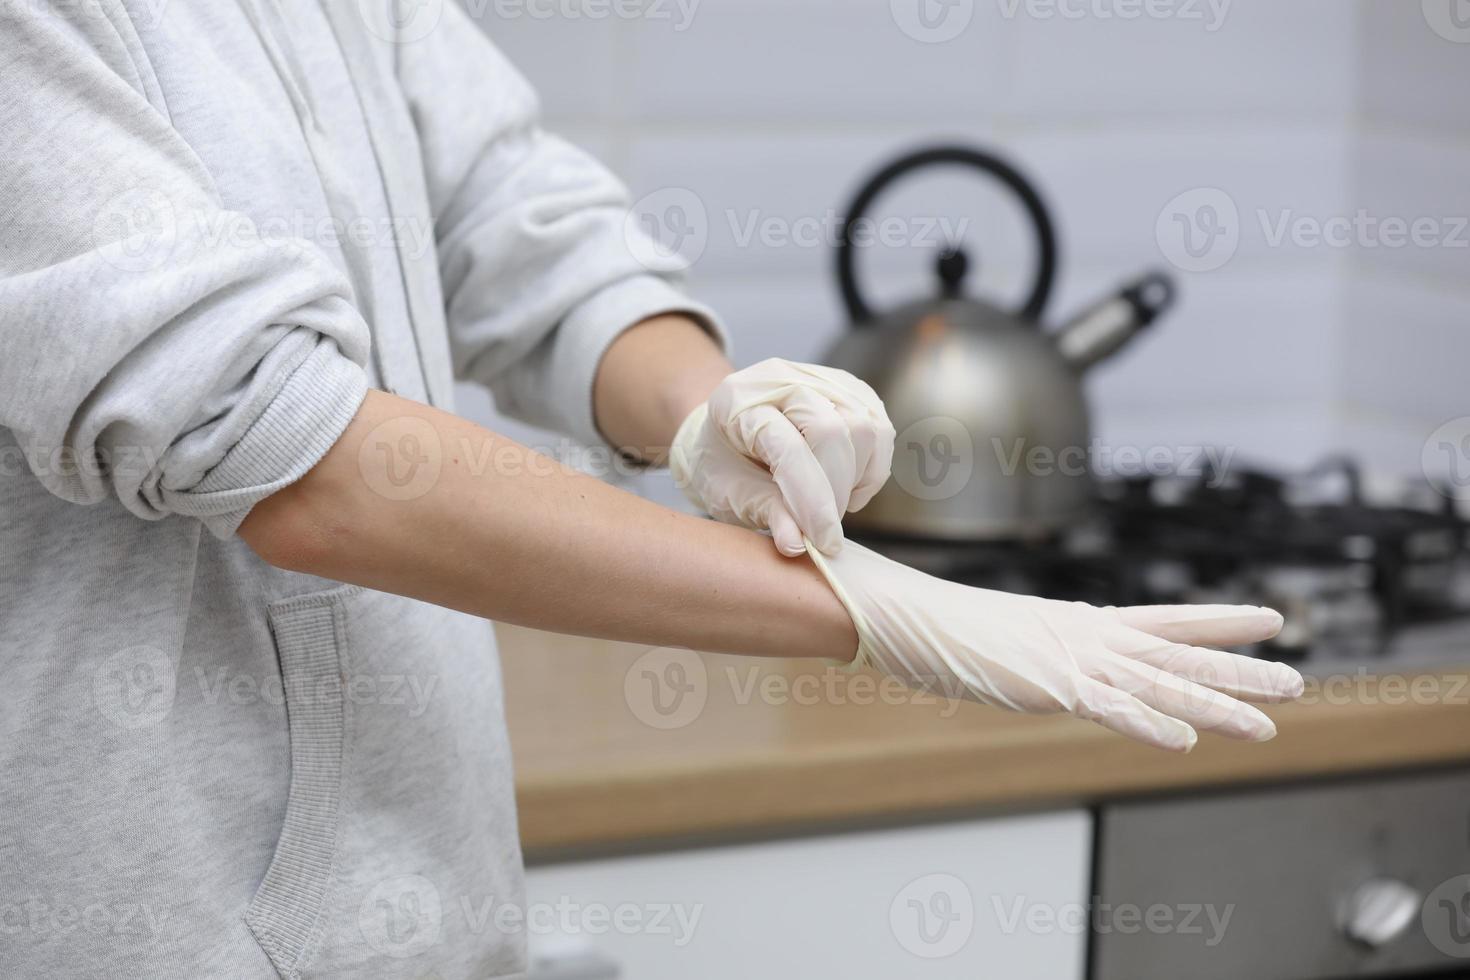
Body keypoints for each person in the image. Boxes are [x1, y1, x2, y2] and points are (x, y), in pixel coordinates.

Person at [0, 2, 1302, 977]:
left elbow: (516, 222)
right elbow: (291, 450)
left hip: (421, 911)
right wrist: (870, 610)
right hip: (145, 926)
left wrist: (704, 411)